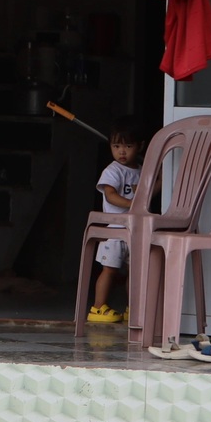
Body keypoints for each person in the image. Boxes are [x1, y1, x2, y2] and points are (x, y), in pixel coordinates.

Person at [86, 117, 144, 324]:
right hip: (115, 230)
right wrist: (131, 204)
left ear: (139, 146)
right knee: (109, 269)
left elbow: (147, 195)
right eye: (116, 146)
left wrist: (161, 181)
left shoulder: (141, 170)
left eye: (128, 146)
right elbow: (110, 195)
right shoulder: (113, 171)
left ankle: (131, 309)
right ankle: (98, 307)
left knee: (134, 271)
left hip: (134, 229)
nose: (122, 151)